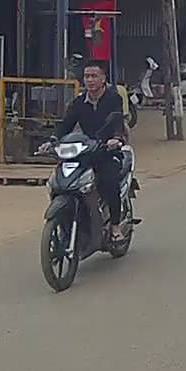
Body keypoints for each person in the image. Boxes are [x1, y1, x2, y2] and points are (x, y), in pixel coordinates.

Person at [44, 60, 126, 239]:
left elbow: (117, 121)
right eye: (87, 76)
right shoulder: (79, 102)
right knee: (63, 182)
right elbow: (66, 124)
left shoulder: (114, 99)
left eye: (94, 76)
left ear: (103, 78)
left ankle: (115, 226)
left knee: (109, 182)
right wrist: (52, 141)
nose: (90, 80)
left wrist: (116, 139)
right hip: (85, 150)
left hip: (107, 150)